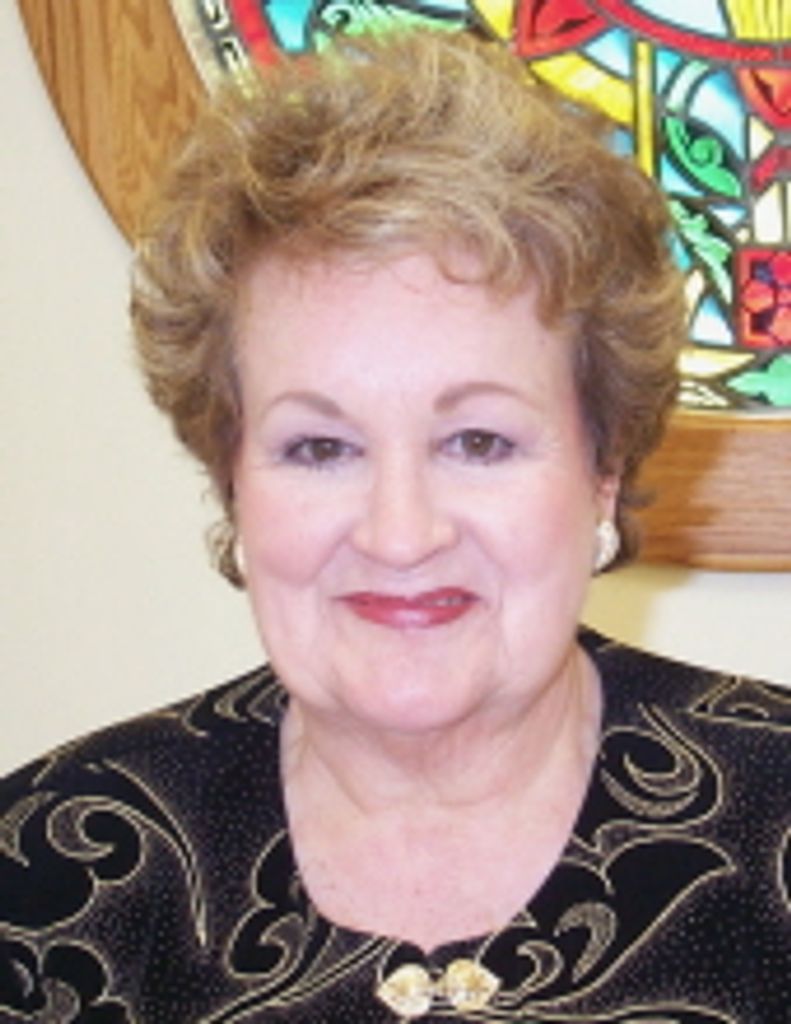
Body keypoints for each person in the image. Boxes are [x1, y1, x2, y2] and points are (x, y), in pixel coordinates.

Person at [1, 29, 788, 1024]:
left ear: (602, 470)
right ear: (232, 480)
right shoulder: (43, 876)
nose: (400, 534)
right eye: (320, 448)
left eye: (477, 441)